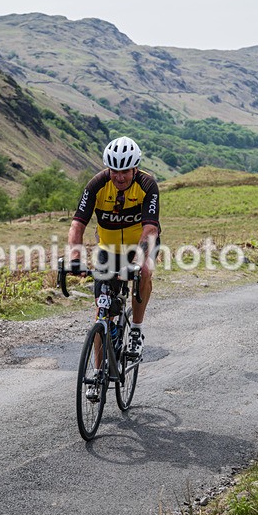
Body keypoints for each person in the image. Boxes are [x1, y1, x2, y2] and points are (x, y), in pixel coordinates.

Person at [68, 136, 160, 364]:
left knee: (145, 272)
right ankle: (98, 375)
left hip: (140, 245)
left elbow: (150, 228)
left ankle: (136, 330)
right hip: (109, 249)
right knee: (103, 312)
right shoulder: (96, 185)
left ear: (135, 169)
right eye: (114, 171)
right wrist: (75, 258)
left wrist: (137, 263)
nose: (119, 177)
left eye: (125, 171)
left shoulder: (147, 185)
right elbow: (78, 224)